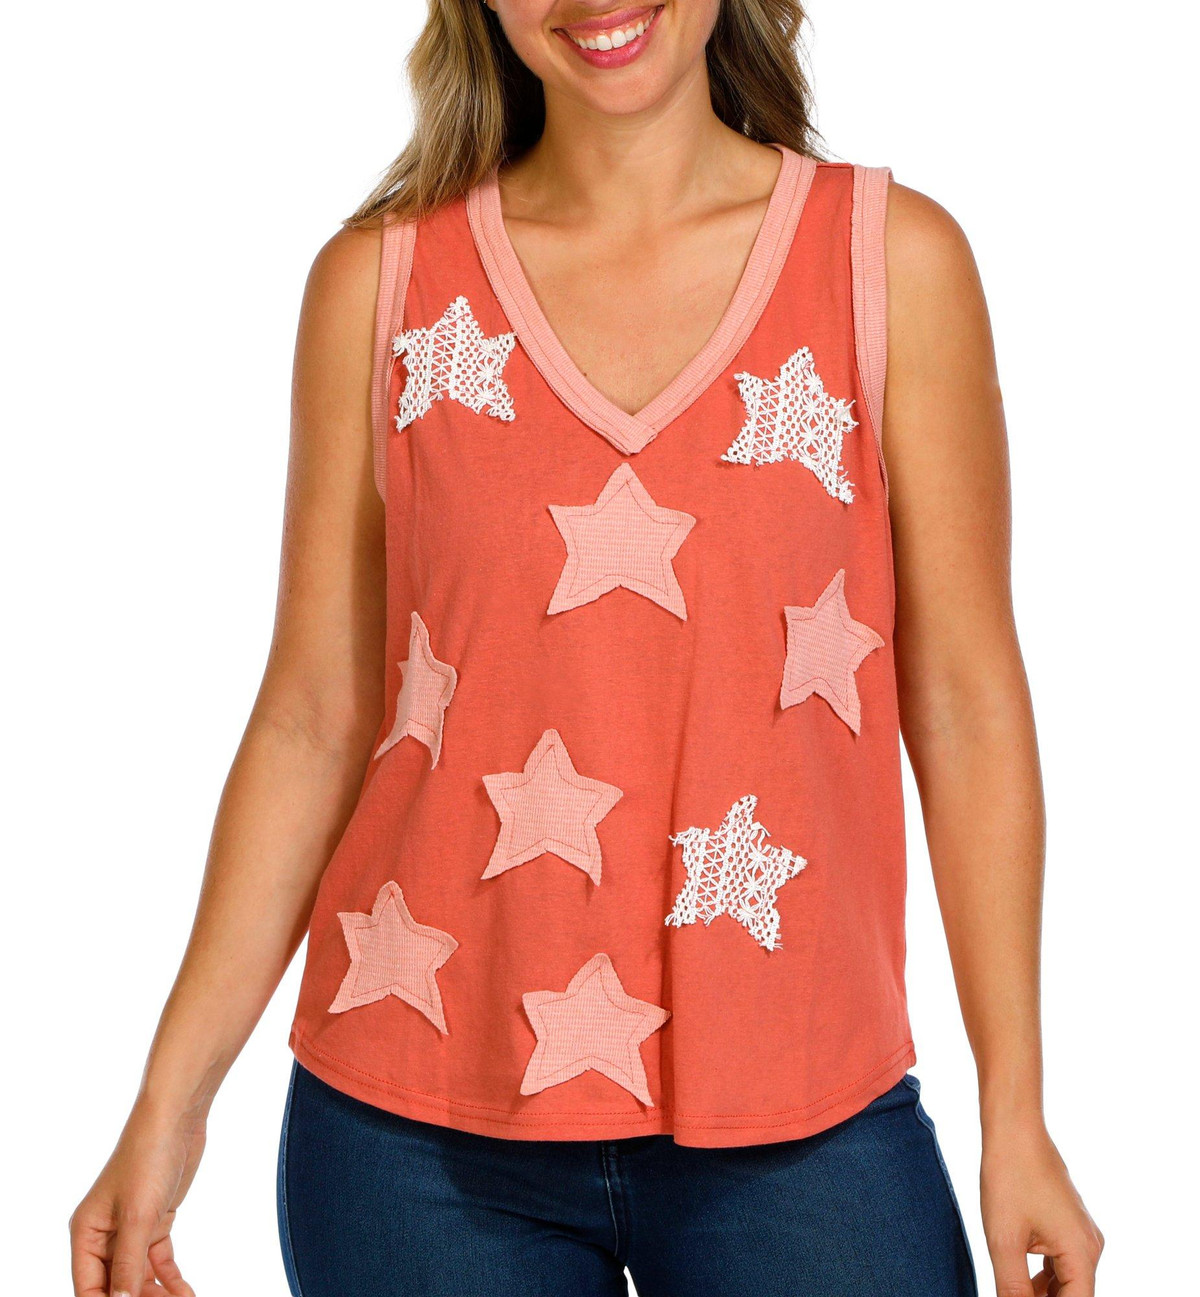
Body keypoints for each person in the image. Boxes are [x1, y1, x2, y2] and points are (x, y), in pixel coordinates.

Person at [69, 2, 1104, 1295]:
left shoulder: (889, 261)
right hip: (411, 1140)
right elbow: (314, 715)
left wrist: (1019, 1111)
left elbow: (965, 704)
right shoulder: (381, 284)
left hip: (804, 1113)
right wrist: (169, 1106)